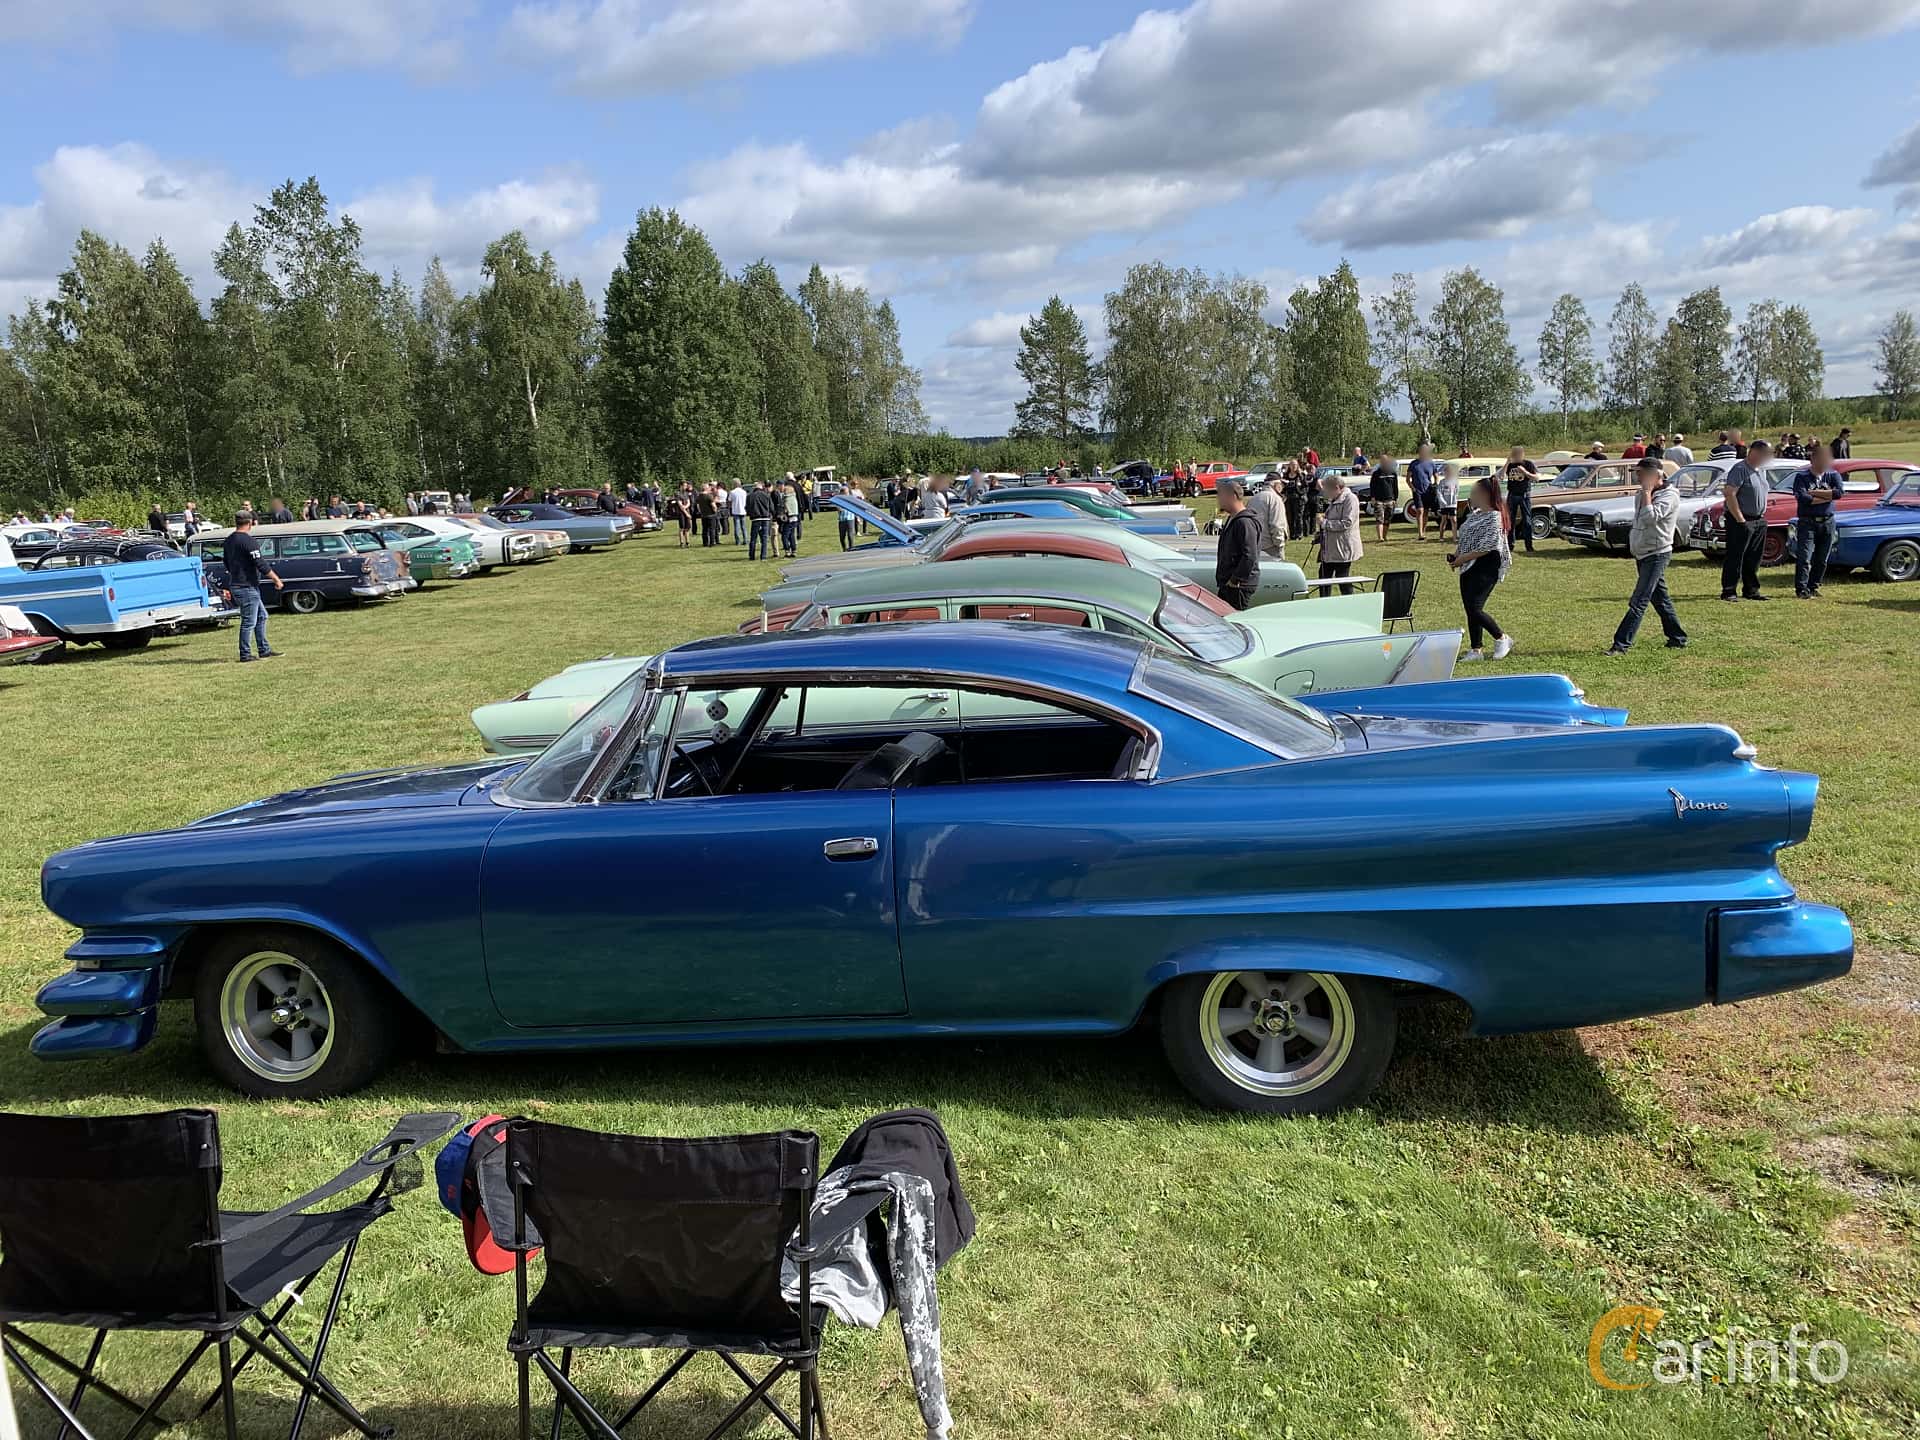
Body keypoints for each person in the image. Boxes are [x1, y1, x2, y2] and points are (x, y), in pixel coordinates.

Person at [1605, 458, 1688, 654]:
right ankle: (1678, 637)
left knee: (1639, 600)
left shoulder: (1669, 496)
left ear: (1655, 475)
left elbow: (1650, 518)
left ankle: (1621, 645)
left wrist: (1647, 492)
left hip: (1657, 553)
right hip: (1643, 552)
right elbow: (1639, 518)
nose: (1637, 476)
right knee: (1660, 599)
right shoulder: (1642, 493)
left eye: (1641, 473)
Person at [1449, 478, 1512, 661]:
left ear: (1485, 495)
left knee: (1476, 608)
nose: (1471, 496)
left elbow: (1487, 546)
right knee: (1470, 609)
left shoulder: (1495, 516)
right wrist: (1456, 556)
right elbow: (1466, 539)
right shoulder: (1474, 514)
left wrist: (1461, 559)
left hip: (1486, 567)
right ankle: (1476, 650)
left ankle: (1501, 638)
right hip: (1468, 566)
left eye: (1474, 492)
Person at [221, 511, 284, 662]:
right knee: (249, 621)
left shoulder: (228, 540)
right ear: (250, 523)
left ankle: (264, 650)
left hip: (239, 584)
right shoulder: (248, 541)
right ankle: (245, 654)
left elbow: (226, 562)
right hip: (246, 586)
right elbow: (260, 563)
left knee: (262, 616)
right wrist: (276, 579)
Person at [1720, 439, 1773, 601]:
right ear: (1755, 452)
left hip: (1758, 520)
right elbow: (1729, 493)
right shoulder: (1740, 469)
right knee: (1736, 556)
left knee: (1754, 557)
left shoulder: (1760, 470)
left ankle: (1751, 590)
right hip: (1741, 520)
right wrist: (1740, 520)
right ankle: (1729, 591)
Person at [1791, 442, 1843, 598]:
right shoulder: (1802, 477)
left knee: (1822, 559)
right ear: (1812, 459)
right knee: (1805, 557)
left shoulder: (1833, 475)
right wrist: (1827, 495)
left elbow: (1839, 493)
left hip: (1828, 521)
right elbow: (1804, 498)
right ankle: (1801, 588)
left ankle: (1813, 586)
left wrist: (1815, 493)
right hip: (1808, 522)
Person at [1313, 471, 1363, 594]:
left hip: (1343, 547)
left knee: (1342, 578)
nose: (1326, 494)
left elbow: (1347, 523)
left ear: (1336, 488)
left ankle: (1349, 603)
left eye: (1327, 491)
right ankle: (1324, 604)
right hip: (1330, 548)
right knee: (1323, 576)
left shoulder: (1350, 499)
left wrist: (1325, 523)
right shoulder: (1335, 499)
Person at [1213, 481, 1260, 610]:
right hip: (1228, 584)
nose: (1219, 500)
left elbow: (1249, 555)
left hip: (1238, 586)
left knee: (1235, 620)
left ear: (1232, 496)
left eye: (1221, 496)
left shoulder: (1244, 522)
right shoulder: (1232, 519)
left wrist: (1235, 580)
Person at [1503, 445, 1538, 553]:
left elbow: (1536, 478)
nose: (1515, 455)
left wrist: (1525, 472)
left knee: (1527, 521)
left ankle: (1529, 546)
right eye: (1514, 453)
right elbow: (1501, 475)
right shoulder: (1510, 465)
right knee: (1511, 521)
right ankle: (1510, 545)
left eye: (1517, 453)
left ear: (1522, 454)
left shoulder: (1528, 464)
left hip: (1524, 495)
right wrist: (1507, 463)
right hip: (1512, 495)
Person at [1248, 467, 1288, 560]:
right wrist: (1280, 545)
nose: (1282, 487)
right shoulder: (1275, 499)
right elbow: (1277, 525)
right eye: (1282, 484)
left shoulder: (1254, 498)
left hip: (1255, 545)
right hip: (1271, 547)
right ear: (1276, 484)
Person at [1405, 442, 1439, 540]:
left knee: (1426, 512)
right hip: (1417, 491)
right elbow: (1408, 479)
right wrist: (1413, 488)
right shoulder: (1414, 464)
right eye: (1422, 451)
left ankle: (1423, 531)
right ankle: (1420, 533)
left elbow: (1436, 476)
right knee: (1420, 510)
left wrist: (1435, 485)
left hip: (1428, 491)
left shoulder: (1431, 463)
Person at [1367, 452, 1399, 541]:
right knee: (1379, 519)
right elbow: (1372, 486)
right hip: (1379, 500)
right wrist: (1372, 498)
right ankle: (1380, 537)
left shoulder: (1393, 473)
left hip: (1390, 499)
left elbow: (1395, 487)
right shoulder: (1376, 474)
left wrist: (1395, 498)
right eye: (1382, 460)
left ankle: (1385, 536)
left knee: (1387, 520)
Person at [747, 479, 776, 559]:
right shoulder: (766, 495)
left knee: (753, 538)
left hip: (755, 519)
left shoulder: (750, 496)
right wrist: (773, 515)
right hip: (765, 518)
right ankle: (763, 556)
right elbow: (771, 507)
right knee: (764, 538)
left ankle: (751, 556)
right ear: (762, 487)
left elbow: (747, 508)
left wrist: (750, 514)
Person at [1429, 457, 1457, 540]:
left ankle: (1454, 537)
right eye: (1447, 472)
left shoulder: (1455, 482)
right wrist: (1443, 501)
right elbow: (1439, 492)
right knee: (1444, 520)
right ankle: (1441, 537)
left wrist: (1455, 502)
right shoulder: (1442, 482)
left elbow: (1456, 492)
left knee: (1454, 520)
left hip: (1452, 504)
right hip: (1444, 505)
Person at [780, 479, 801, 557]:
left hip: (789, 517)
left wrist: (783, 514)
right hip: (795, 517)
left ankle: (787, 550)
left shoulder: (786, 498)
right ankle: (794, 551)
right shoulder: (794, 498)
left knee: (784, 536)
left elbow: (785, 508)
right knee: (792, 535)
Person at [727, 478, 748, 544]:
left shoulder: (732, 492)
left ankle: (738, 541)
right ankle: (745, 540)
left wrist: (730, 507)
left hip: (735, 511)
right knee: (743, 527)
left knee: (737, 527)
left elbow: (729, 501)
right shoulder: (744, 492)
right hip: (743, 510)